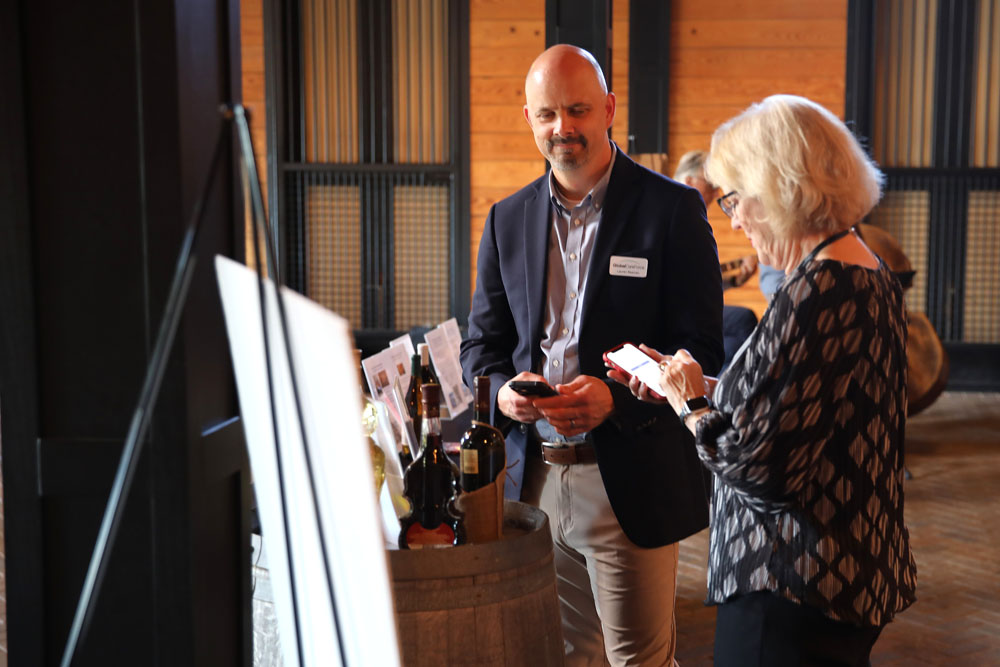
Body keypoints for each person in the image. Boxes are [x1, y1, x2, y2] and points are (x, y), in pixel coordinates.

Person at [609, 94, 917, 665]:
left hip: (793, 583)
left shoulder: (819, 290)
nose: (734, 219)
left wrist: (691, 405)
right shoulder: (862, 268)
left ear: (780, 188)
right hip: (838, 572)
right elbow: (799, 400)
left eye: (734, 198)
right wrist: (697, 385)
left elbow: (761, 471)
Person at [460, 44, 724, 666]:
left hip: (628, 476)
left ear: (608, 109)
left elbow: (703, 350)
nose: (563, 128)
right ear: (528, 118)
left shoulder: (671, 210)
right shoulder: (505, 220)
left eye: (578, 110)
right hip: (534, 480)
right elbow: (481, 347)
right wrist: (501, 392)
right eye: (547, 114)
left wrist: (618, 398)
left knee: (639, 661)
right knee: (565, 657)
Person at [674, 150, 759, 370]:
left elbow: (699, 285)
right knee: (743, 321)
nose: (715, 192)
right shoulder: (675, 219)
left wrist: (735, 280)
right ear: (689, 182)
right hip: (676, 313)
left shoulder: (695, 220)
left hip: (690, 309)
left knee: (738, 330)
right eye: (710, 185)